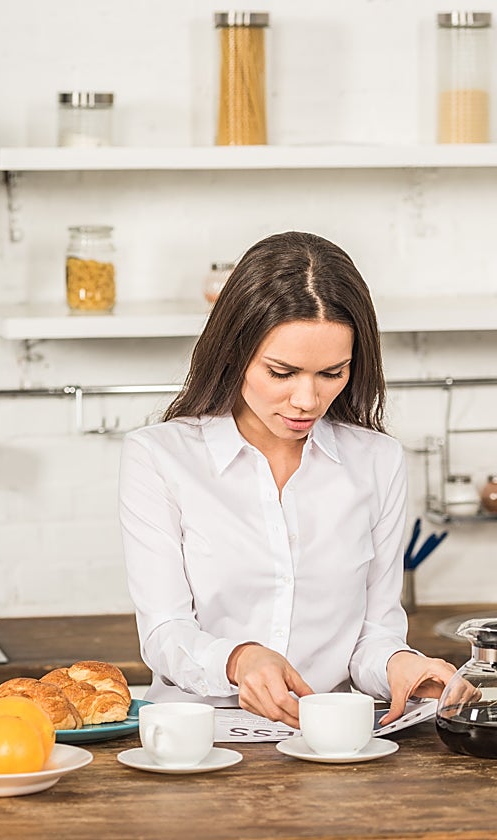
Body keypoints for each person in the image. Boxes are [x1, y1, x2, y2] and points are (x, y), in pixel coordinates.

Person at [119, 230, 454, 729]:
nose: (307, 400)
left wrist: (400, 666)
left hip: (331, 745)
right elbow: (166, 632)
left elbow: (373, 633)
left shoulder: (376, 461)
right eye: (282, 372)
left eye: (331, 373)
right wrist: (240, 660)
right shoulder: (160, 457)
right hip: (195, 742)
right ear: (234, 353)